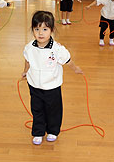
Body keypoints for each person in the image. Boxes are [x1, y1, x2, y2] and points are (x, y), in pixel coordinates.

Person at [22, 11, 83, 145]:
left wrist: (76, 68)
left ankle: (53, 130)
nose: (40, 33)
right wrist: (25, 72)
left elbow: (67, 60)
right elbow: (27, 60)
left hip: (52, 86)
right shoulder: (29, 47)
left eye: (45, 29)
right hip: (34, 85)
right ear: (32, 29)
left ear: (52, 30)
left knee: (53, 110)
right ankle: (38, 131)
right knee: (37, 109)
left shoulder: (57, 49)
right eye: (37, 29)